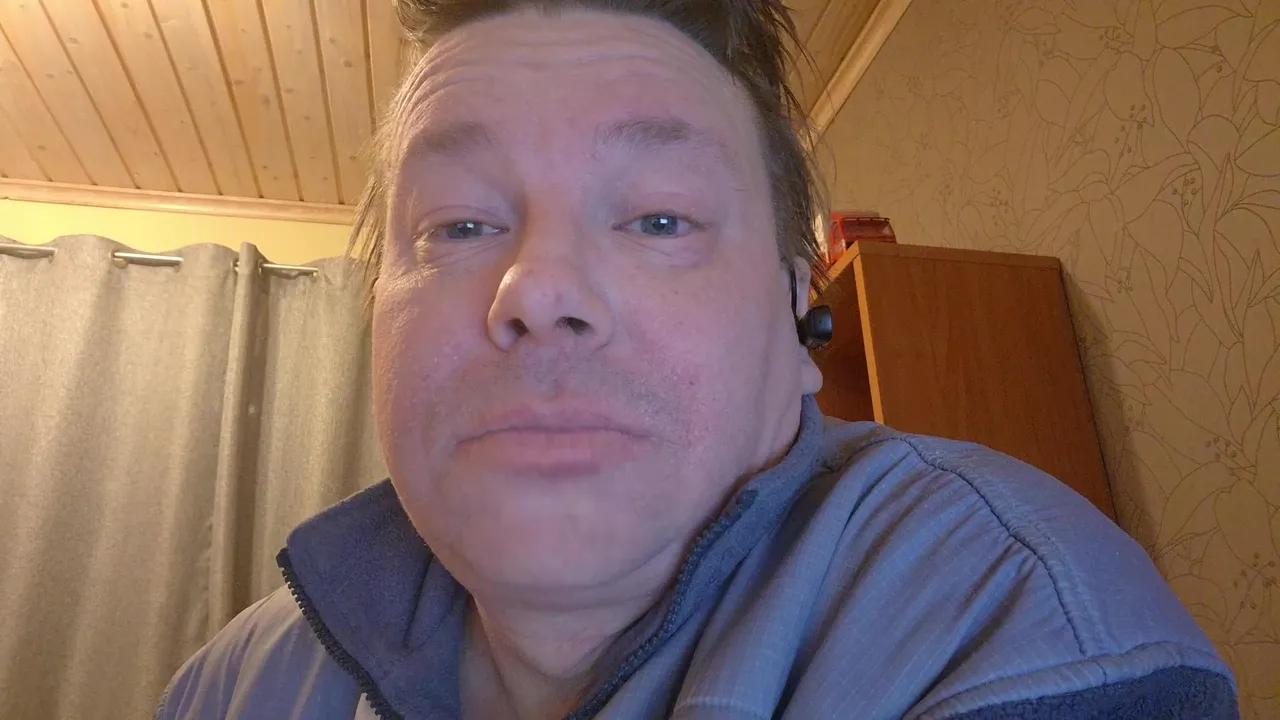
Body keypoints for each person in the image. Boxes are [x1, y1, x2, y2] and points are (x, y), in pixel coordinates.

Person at [156, 1, 1237, 718]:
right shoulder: (232, 684)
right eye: (460, 225)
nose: (537, 291)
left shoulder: (1014, 616)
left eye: (660, 220)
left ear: (795, 319)